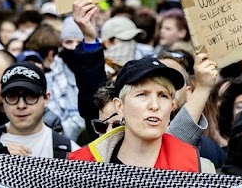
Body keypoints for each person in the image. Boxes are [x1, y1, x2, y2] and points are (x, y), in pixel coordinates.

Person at [70, 57, 213, 172]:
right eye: (142, 95)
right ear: (119, 106)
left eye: (163, 96)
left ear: (172, 106)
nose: (155, 105)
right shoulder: (82, 166)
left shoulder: (197, 169)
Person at [0, 62, 77, 158]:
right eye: (12, 97)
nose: (21, 105)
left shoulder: (70, 152)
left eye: (30, 96)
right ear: (2, 100)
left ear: (46, 98)